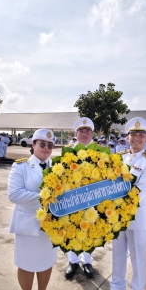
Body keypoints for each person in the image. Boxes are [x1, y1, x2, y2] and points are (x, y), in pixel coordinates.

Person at [103, 117, 146, 290]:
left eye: (141, 135)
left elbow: (138, 193)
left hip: (137, 218)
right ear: (127, 137)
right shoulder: (120, 158)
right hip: (117, 218)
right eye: (133, 134)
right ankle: (117, 288)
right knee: (117, 254)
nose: (137, 138)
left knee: (138, 258)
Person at [8, 128, 57, 290]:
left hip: (51, 226)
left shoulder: (59, 167)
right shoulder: (21, 166)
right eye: (42, 144)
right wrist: (47, 200)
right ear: (33, 145)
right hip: (27, 225)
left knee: (46, 262)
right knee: (26, 264)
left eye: (50, 145)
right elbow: (14, 194)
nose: (46, 148)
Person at [65, 117, 95, 279]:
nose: (84, 134)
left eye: (88, 131)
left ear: (92, 134)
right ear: (76, 134)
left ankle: (87, 261)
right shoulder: (68, 150)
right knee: (71, 230)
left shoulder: (99, 151)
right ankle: (73, 261)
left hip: (92, 199)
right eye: (81, 131)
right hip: (73, 198)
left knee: (90, 230)